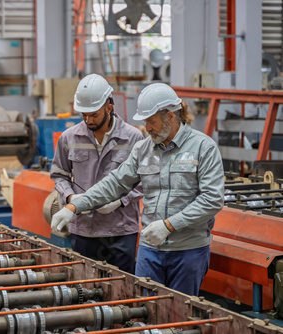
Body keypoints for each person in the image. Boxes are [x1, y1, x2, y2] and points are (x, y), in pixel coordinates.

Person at [51, 82, 224, 296]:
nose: (147, 128)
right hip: (150, 249)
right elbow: (114, 183)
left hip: (187, 250)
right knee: (144, 310)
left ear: (170, 116)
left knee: (181, 315)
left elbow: (212, 199)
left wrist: (169, 226)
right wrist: (74, 207)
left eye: (152, 121)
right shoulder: (143, 149)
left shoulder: (203, 148)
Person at [50, 73, 144, 274]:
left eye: (93, 115)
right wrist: (71, 197)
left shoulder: (133, 138)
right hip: (84, 227)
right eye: (83, 115)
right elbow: (59, 175)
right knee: (84, 287)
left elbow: (145, 180)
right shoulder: (69, 138)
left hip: (121, 228)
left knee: (122, 289)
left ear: (109, 106)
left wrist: (120, 201)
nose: (88, 120)